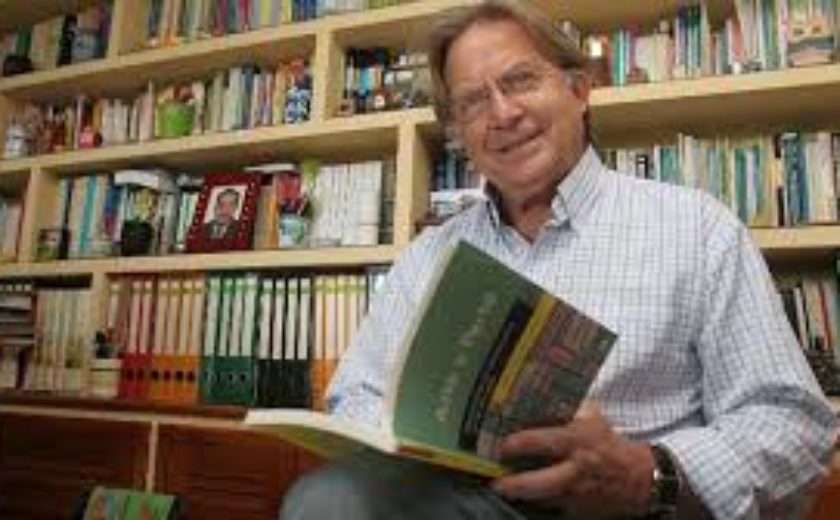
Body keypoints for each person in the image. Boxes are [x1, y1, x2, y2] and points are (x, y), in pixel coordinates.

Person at [281, 1, 839, 518]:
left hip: (635, 510)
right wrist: (407, 442)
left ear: (579, 89)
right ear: (457, 135)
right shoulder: (428, 255)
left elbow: (793, 422)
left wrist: (649, 473)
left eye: (520, 80)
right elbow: (356, 395)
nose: (502, 113)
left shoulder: (698, 229)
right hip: (459, 503)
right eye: (473, 101)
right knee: (329, 501)